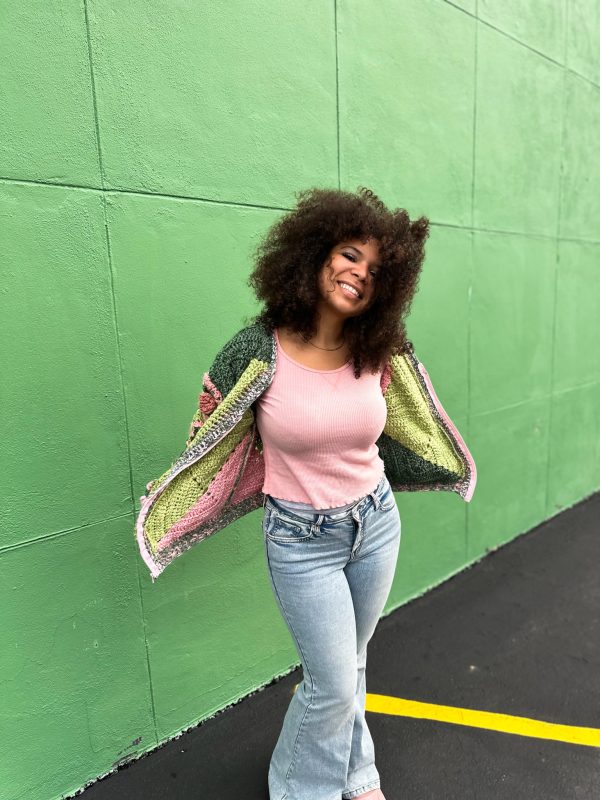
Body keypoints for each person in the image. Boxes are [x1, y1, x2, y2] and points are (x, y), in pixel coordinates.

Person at [135, 186, 477, 800]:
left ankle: (357, 772)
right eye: (349, 255)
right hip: (301, 539)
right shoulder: (256, 350)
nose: (358, 275)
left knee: (353, 662)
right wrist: (187, 488)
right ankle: (302, 790)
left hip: (375, 523)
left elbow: (410, 417)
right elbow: (212, 437)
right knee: (333, 681)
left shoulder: (380, 351)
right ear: (315, 253)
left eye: (374, 271)